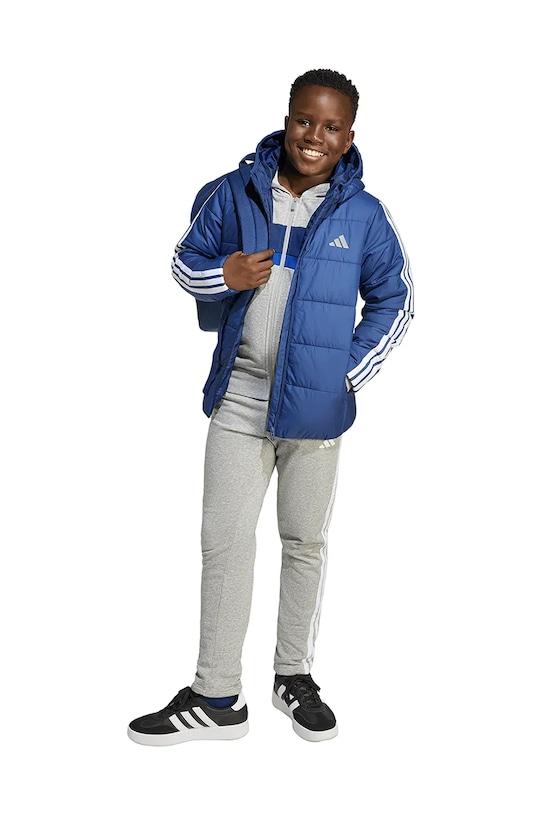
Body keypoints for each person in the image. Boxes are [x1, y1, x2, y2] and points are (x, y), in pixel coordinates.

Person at [127, 68, 414, 745]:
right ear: (287, 121)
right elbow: (185, 260)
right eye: (304, 120)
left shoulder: (365, 215)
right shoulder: (237, 190)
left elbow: (396, 299)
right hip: (240, 399)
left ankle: (294, 676)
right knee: (225, 541)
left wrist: (345, 374)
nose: (315, 135)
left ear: (349, 138)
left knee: (304, 541)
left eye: (331, 127)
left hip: (316, 411)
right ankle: (217, 693)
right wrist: (222, 275)